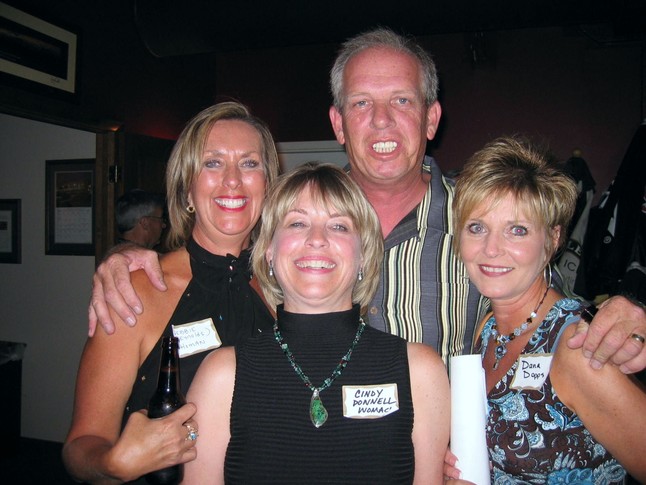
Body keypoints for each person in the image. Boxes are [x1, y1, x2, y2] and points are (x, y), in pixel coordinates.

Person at [86, 28, 646, 372]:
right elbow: (215, 249)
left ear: (431, 118)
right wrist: (124, 257)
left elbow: (548, 311)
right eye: (360, 103)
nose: (380, 121)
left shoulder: (482, 225)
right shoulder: (287, 222)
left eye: (401, 101)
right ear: (337, 123)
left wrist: (632, 305)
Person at [184, 162, 450, 483]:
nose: (317, 239)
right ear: (269, 251)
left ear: (363, 255)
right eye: (297, 223)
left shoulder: (419, 371)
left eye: (339, 226)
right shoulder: (222, 376)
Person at [62, 101, 280, 483]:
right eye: (212, 163)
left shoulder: (286, 290)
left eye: (249, 163)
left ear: (268, 185)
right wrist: (113, 462)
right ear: (187, 190)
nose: (233, 180)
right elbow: (81, 446)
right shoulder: (137, 290)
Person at [445, 137, 646, 483]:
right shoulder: (488, 329)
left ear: (553, 239)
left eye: (517, 230)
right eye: (477, 227)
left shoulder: (577, 345)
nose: (491, 249)